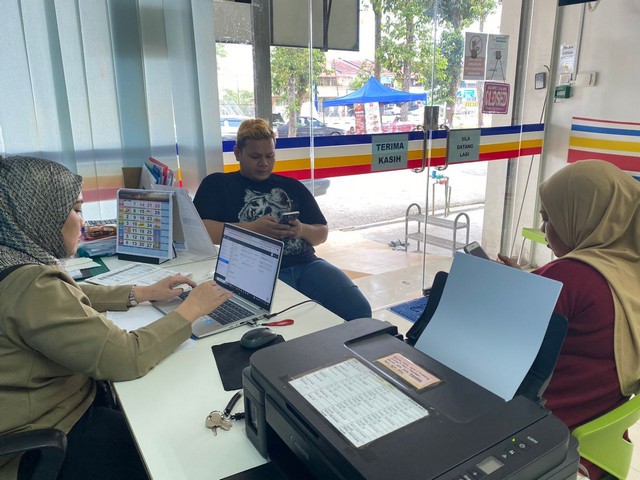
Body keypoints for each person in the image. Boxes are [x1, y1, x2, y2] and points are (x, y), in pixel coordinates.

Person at [0, 156, 233, 480]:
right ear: (39, 214)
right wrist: (191, 310)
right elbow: (124, 357)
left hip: (38, 414)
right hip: (45, 440)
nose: (83, 222)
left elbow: (64, 295)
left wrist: (140, 292)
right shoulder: (31, 284)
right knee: (173, 444)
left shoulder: (11, 261)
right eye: (76, 209)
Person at [498, 160, 640, 480]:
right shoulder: (628, 270)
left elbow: (492, 344)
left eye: (549, 218)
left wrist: (505, 287)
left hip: (543, 444)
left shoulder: (569, 277)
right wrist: (531, 284)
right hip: (601, 445)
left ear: (584, 217)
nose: (543, 230)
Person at [193, 118, 372, 321]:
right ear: (237, 153)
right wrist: (252, 228)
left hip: (306, 264)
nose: (264, 163)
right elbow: (201, 231)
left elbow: (321, 233)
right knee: (293, 324)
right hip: (253, 270)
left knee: (359, 310)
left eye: (270, 156)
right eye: (255, 156)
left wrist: (301, 230)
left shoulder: (292, 186)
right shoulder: (218, 184)